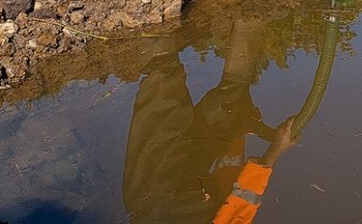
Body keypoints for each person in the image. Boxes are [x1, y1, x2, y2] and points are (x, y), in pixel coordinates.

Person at [122, 17, 301, 223]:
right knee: (227, 106)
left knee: (162, 84)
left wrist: (276, 148)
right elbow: (238, 197)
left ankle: (153, 10)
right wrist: (241, 128)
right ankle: (251, 16)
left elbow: (242, 204)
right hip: (184, 193)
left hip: (156, 200)